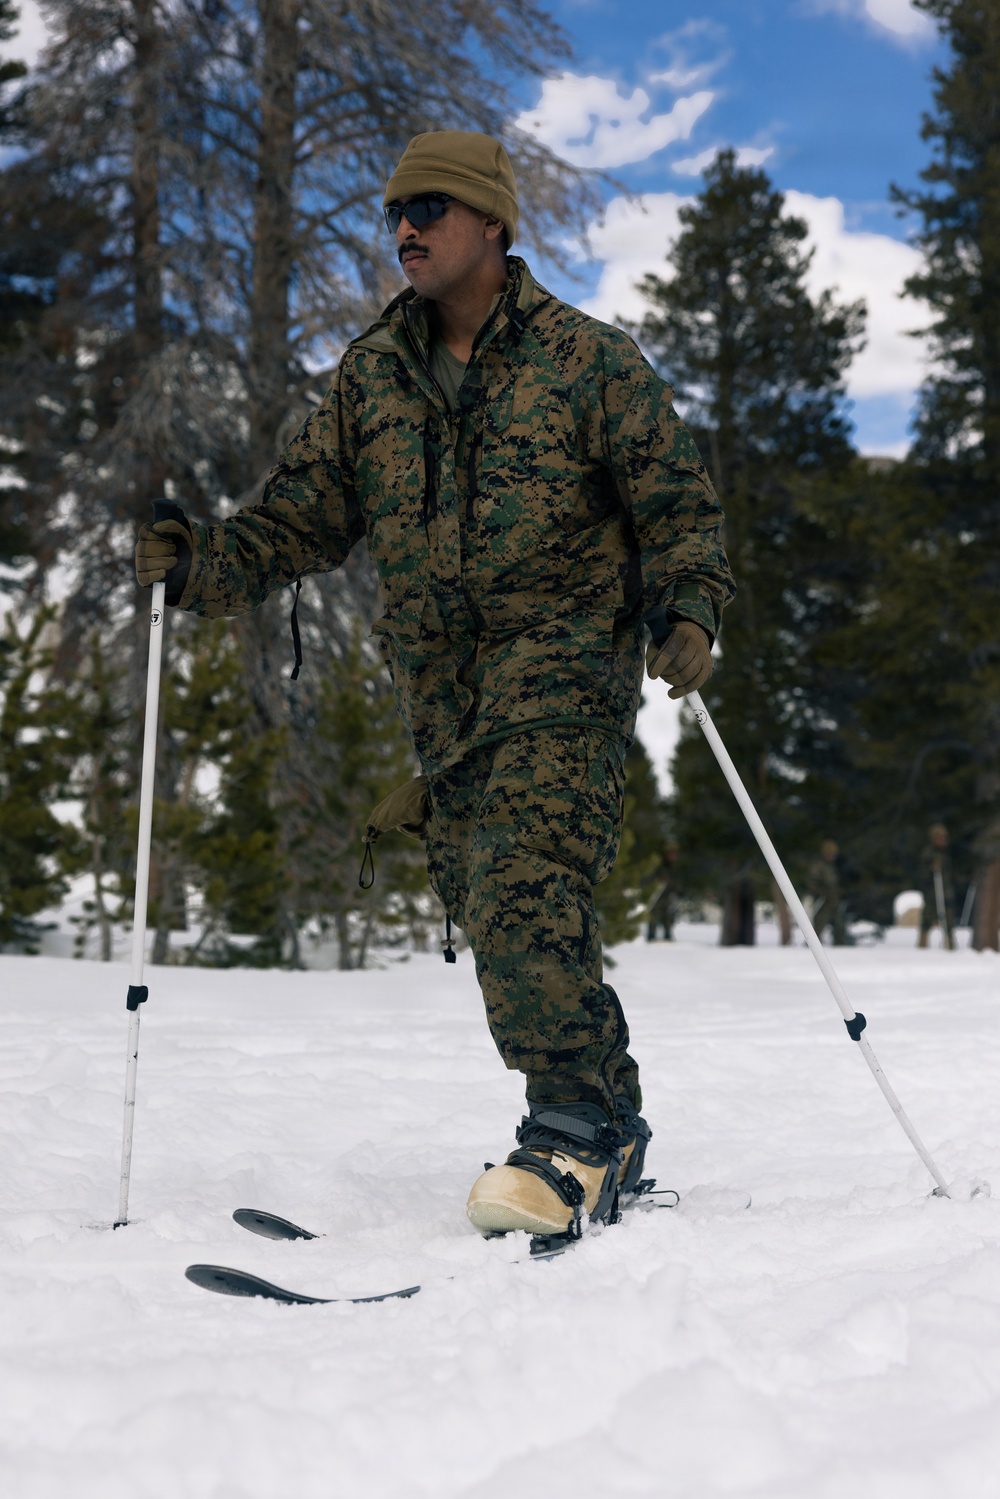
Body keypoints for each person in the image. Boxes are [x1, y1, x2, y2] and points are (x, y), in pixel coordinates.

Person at [135, 131, 735, 1241]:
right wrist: (203, 563)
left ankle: (567, 1133)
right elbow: (306, 514)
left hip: (562, 675)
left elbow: (679, 509)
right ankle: (612, 1122)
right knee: (509, 900)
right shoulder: (373, 377)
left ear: (494, 224)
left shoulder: (587, 361)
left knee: (518, 880)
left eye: (431, 208)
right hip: (444, 706)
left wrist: (689, 610)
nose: (405, 228)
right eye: (394, 211)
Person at [918, 823, 954, 950]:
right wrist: (931, 868)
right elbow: (922, 875)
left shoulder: (946, 853)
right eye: (940, 838)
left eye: (944, 838)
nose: (943, 840)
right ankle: (922, 945)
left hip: (946, 891)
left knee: (949, 920)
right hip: (932, 893)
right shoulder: (928, 854)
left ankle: (950, 946)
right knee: (927, 919)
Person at [807, 839, 849, 946]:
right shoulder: (818, 866)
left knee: (839, 926)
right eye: (830, 854)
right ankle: (812, 947)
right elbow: (812, 883)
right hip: (823, 902)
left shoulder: (833, 866)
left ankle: (840, 947)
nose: (832, 856)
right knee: (819, 926)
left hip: (834, 901)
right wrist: (823, 893)